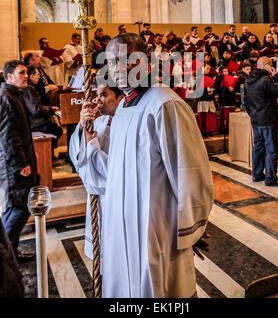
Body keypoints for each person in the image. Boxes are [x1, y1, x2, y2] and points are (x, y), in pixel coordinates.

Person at [79, 33, 214, 298]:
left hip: (156, 231)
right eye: (111, 61)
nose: (117, 68)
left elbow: (189, 171)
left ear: (146, 62)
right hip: (121, 227)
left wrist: (192, 228)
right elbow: (116, 173)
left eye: (125, 60)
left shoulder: (164, 103)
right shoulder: (122, 111)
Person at [69, 85, 123, 259]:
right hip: (98, 197)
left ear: (120, 97)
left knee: (116, 254)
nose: (98, 100)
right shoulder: (98, 122)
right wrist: (81, 125)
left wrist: (92, 146)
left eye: (104, 95)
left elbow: (115, 171)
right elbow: (78, 160)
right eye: (97, 95)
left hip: (117, 198)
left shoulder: (127, 125)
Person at [0, 60, 38, 262]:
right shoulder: (6, 98)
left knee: (18, 207)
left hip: (19, 161)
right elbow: (7, 137)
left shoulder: (13, 95)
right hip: (13, 166)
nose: (26, 76)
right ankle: (6, 256)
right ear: (9, 77)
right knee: (18, 208)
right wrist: (21, 163)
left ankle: (11, 253)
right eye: (22, 73)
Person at [244, 56, 278, 186]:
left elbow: (246, 102)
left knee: (258, 147)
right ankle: (270, 178)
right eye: (271, 64)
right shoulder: (266, 80)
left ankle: (257, 175)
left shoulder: (248, 80)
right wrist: (277, 77)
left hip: (256, 120)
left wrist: (253, 115)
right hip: (268, 120)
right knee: (271, 149)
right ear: (267, 66)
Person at [22, 66, 62, 149]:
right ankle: (47, 154)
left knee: (55, 128)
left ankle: (49, 153)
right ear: (32, 76)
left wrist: (50, 108)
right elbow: (36, 109)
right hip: (35, 124)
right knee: (57, 130)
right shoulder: (29, 88)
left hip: (32, 121)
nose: (39, 77)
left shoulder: (28, 87)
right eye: (37, 75)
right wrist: (51, 109)